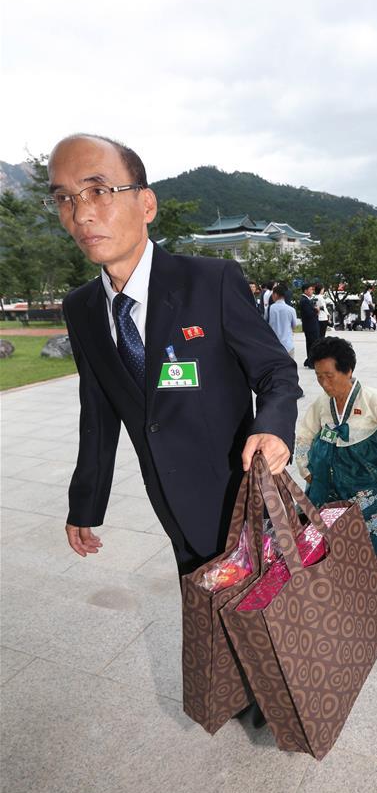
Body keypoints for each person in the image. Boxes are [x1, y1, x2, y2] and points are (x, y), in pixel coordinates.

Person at [51, 134, 298, 579]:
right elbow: (99, 410)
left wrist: (274, 428)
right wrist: (85, 503)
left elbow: (275, 368)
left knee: (266, 633)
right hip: (170, 504)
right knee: (205, 623)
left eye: (99, 191)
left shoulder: (211, 282)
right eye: (65, 199)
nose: (82, 212)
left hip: (243, 501)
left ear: (146, 204)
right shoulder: (81, 308)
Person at [296, 337, 377, 578]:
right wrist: (304, 468)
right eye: (319, 376)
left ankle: (366, 589)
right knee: (330, 537)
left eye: (329, 375)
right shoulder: (322, 403)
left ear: (348, 370)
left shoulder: (372, 398)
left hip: (368, 485)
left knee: (371, 541)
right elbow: (305, 434)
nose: (323, 383)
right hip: (330, 484)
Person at [268, 284, 297, 358]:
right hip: (288, 345)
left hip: (273, 345)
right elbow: (294, 325)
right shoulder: (291, 310)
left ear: (275, 294)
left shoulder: (269, 309)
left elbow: (265, 323)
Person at [300, 283, 320, 369]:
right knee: (313, 344)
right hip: (310, 326)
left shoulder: (307, 299)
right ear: (305, 290)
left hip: (311, 325)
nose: (312, 291)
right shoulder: (304, 300)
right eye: (310, 289)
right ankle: (311, 362)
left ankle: (309, 361)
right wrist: (317, 311)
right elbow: (309, 314)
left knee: (311, 344)